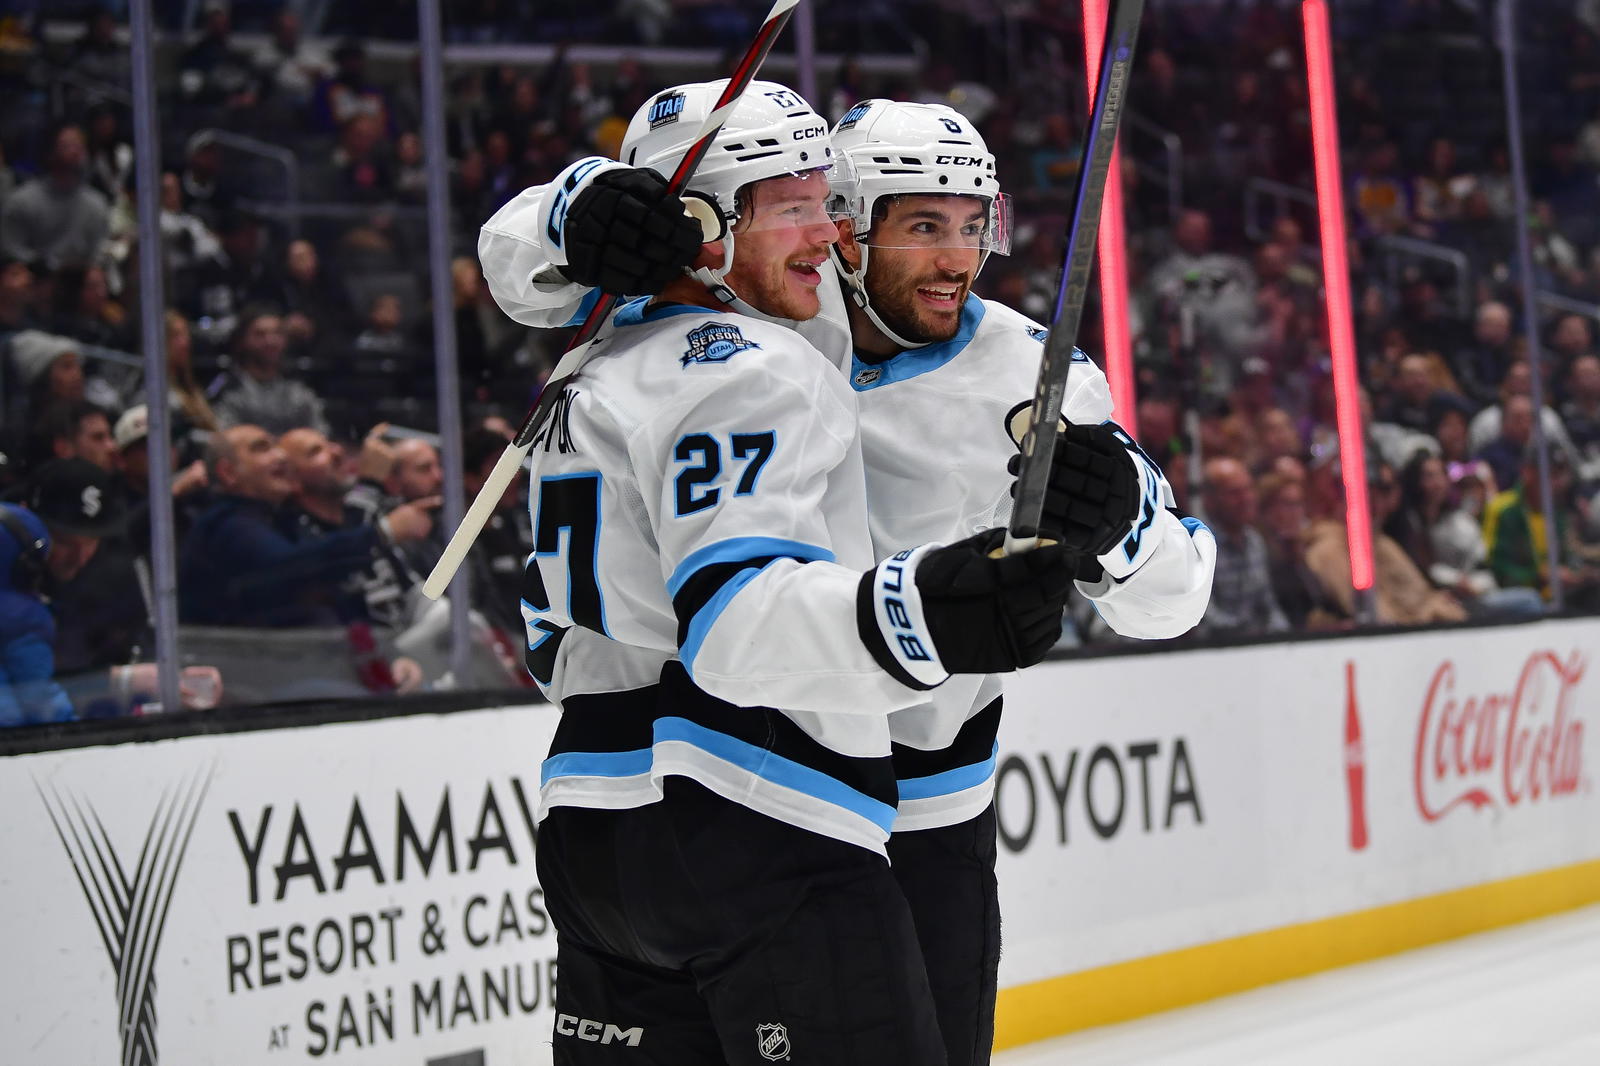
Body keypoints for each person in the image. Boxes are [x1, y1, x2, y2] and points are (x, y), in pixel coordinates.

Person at [481, 90, 1213, 1065]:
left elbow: (1175, 598)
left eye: (972, 226)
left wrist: (1120, 529)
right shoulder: (772, 310)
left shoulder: (1031, 377)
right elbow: (526, 266)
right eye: (920, 226)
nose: (958, 258)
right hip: (772, 785)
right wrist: (583, 212)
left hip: (917, 813)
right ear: (849, 234)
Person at [178, 424, 436, 627]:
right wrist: (383, 532)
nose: (280, 456)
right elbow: (291, 569)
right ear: (228, 473)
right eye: (261, 448)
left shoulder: (277, 521)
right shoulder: (225, 525)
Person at [1195, 456, 1287, 636]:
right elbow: (1202, 615)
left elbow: (1267, 604)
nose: (1247, 499)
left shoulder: (1254, 542)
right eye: (1234, 493)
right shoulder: (1195, 544)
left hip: (1253, 647)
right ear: (1210, 500)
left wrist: (1286, 636)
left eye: (1248, 490)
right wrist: (1247, 634)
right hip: (1208, 651)